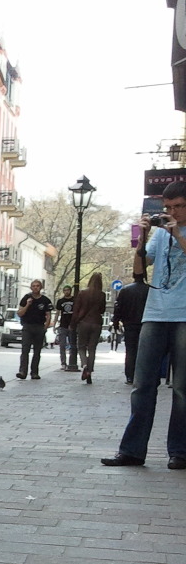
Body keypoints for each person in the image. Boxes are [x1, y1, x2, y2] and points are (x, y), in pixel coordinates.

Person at [102, 182, 186, 469]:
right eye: (168, 208)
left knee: (181, 388)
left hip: (184, 314)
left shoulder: (176, 231)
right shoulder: (160, 235)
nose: (172, 212)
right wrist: (143, 235)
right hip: (155, 312)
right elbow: (140, 271)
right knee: (142, 385)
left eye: (178, 206)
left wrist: (176, 232)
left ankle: (180, 451)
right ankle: (133, 451)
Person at [113, 273, 151, 385]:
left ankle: (130, 375)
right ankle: (143, 375)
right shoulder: (149, 290)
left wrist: (116, 322)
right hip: (145, 323)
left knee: (130, 350)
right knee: (145, 350)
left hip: (129, 324)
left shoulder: (125, 290)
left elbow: (118, 307)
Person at [70, 273, 106, 384]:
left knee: (81, 346)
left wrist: (73, 323)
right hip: (96, 323)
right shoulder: (102, 295)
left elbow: (76, 310)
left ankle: (84, 365)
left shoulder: (82, 293)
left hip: (84, 322)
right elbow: (102, 310)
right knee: (92, 349)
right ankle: (89, 372)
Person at [15, 279, 52, 380]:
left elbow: (48, 315)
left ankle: (34, 372)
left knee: (37, 351)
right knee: (25, 350)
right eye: (34, 286)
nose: (36, 287)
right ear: (31, 288)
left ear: (41, 287)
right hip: (27, 326)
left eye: (38, 286)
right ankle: (23, 371)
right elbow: (20, 313)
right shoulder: (26, 298)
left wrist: (45, 327)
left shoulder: (45, 300)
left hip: (39, 327)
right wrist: (27, 304)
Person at [54, 285, 75, 368]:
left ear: (70, 291)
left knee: (72, 345)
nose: (66, 292)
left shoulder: (74, 300)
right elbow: (57, 312)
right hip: (63, 325)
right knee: (62, 345)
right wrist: (55, 324)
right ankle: (63, 363)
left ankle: (71, 361)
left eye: (68, 290)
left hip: (72, 325)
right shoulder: (60, 301)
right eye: (65, 290)